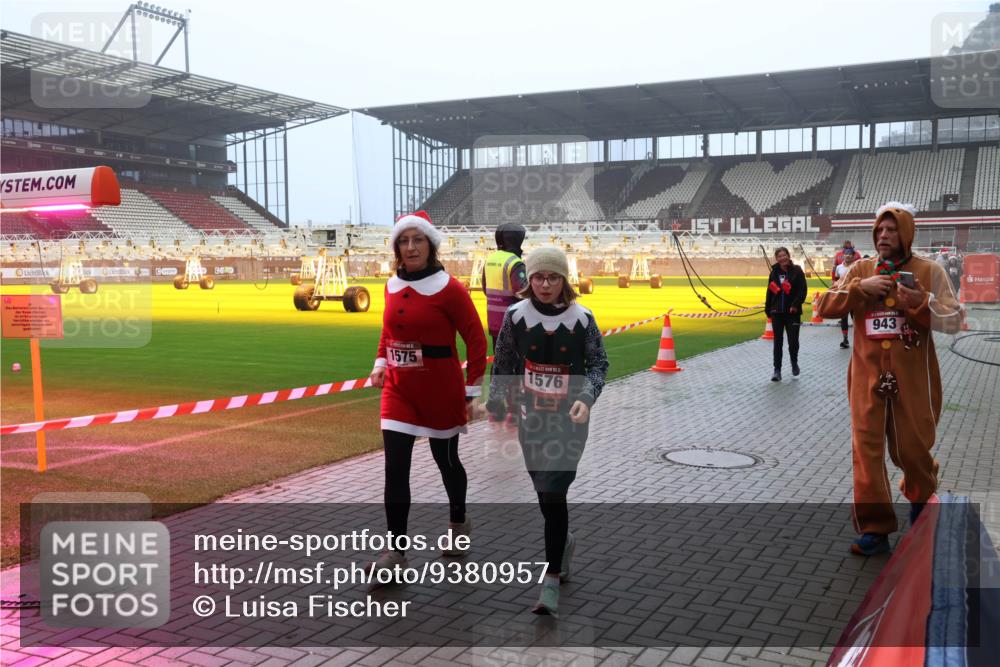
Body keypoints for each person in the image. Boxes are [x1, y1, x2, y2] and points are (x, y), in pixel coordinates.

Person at [817, 202, 962, 556]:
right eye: (879, 230)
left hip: (913, 382)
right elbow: (822, 306)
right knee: (865, 453)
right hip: (866, 381)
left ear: (906, 233)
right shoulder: (860, 269)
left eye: (891, 230)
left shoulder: (930, 271)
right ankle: (875, 529)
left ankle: (921, 491)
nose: (883, 236)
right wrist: (858, 289)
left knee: (911, 449)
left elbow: (955, 320)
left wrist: (921, 301)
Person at [484, 246, 609, 618]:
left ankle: (551, 579)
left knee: (554, 493)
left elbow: (599, 363)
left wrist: (587, 397)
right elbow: (504, 360)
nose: (544, 284)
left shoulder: (582, 318)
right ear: (528, 280)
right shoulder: (515, 316)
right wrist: (496, 400)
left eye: (553, 277)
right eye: (538, 277)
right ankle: (564, 543)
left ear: (564, 280)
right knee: (544, 495)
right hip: (531, 418)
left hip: (569, 421)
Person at [368, 210, 488, 579]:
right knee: (395, 469)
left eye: (417, 240)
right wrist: (380, 362)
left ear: (431, 245)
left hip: (441, 388)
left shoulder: (449, 288)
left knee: (446, 460)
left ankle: (458, 522)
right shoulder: (390, 286)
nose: (410, 247)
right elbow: (389, 332)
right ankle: (396, 553)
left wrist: (471, 391)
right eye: (403, 241)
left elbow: (476, 340)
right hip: (400, 389)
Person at [482, 222, 528, 351]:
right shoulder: (515, 262)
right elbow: (523, 294)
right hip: (514, 323)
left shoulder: (490, 260)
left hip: (494, 323)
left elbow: (485, 289)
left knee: (499, 362)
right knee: (515, 365)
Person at [764, 247, 807, 381]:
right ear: (777, 259)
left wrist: (795, 305)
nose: (782, 258)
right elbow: (770, 291)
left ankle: (794, 363)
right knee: (778, 342)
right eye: (779, 256)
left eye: (784, 255)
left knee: (793, 342)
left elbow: (802, 290)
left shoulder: (797, 271)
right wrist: (768, 309)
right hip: (777, 312)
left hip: (792, 313)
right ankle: (777, 370)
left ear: (788, 256)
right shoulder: (774, 272)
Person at [834, 247, 857, 349]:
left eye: (850, 254)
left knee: (856, 318)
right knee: (843, 318)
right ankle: (845, 339)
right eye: (846, 254)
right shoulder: (839, 267)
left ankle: (859, 339)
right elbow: (836, 280)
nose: (848, 256)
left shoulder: (857, 266)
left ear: (853, 256)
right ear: (843, 256)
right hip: (843, 296)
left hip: (854, 296)